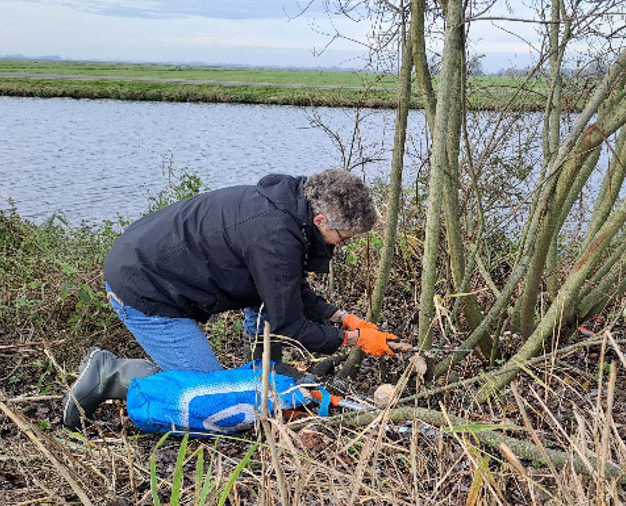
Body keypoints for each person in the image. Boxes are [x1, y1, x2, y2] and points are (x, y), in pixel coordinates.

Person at [62, 170, 400, 430]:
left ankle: (264, 378)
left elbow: (286, 290)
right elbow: (290, 324)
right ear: (320, 219)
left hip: (149, 265)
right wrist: (353, 339)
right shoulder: (275, 236)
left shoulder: (289, 208)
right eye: (343, 237)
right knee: (209, 397)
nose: (342, 245)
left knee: (262, 319)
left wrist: (343, 318)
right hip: (144, 287)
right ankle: (111, 374)